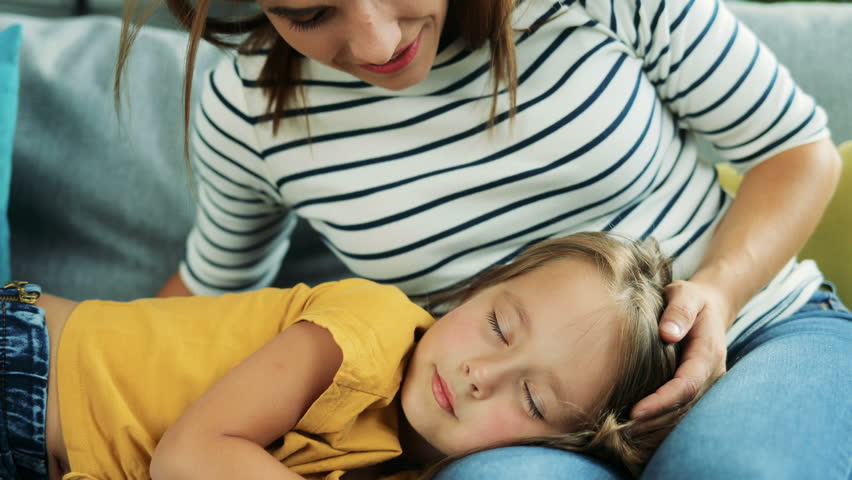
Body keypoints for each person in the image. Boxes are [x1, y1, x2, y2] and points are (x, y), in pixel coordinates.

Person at [115, 0, 851, 477]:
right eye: (310, 12)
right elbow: (208, 293)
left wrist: (720, 291)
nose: (376, 40)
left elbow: (796, 150)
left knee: (734, 469)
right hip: (526, 427)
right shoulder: (246, 113)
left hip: (764, 331)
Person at [0, 232, 679, 480]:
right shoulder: (372, 327)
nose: (481, 377)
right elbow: (191, 455)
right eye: (499, 326)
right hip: (25, 363)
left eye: (532, 400)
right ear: (474, 293)